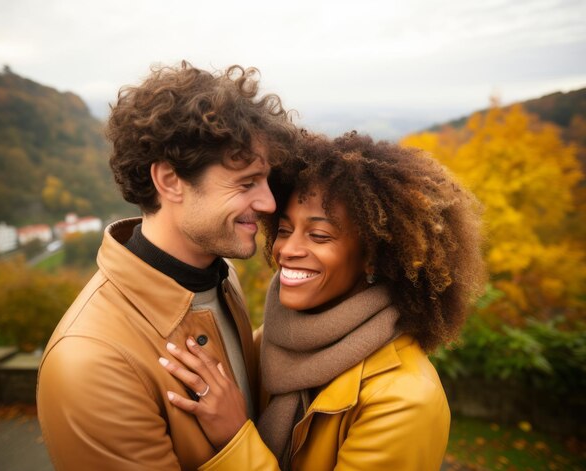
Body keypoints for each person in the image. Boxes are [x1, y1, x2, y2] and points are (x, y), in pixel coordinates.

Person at [159, 132, 485, 470]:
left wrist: (234, 437)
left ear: (372, 258)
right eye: (284, 230)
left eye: (319, 235)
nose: (287, 250)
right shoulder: (270, 342)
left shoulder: (404, 399)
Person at [36, 61, 297, 470]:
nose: (267, 203)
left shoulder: (222, 278)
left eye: (265, 181)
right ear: (170, 181)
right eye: (246, 183)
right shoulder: (92, 361)